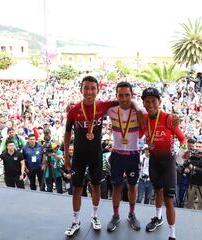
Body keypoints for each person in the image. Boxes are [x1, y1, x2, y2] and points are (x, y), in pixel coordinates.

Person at [63, 76, 118, 236]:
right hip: (79, 156)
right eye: (86, 88)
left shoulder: (102, 106)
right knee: (77, 189)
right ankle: (75, 221)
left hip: (96, 155)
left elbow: (124, 101)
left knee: (95, 186)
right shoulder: (73, 110)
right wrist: (66, 156)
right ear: (81, 90)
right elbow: (67, 134)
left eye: (93, 88)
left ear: (98, 90)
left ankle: (94, 216)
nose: (89, 91)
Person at [141, 87, 187, 240]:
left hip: (168, 163)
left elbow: (183, 139)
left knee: (169, 200)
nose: (150, 104)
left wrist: (182, 154)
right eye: (147, 101)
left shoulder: (168, 118)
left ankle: (172, 235)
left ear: (159, 102)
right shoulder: (144, 119)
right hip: (154, 162)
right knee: (157, 192)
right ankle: (158, 218)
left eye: (153, 101)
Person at [106, 82, 142, 232]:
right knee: (116, 187)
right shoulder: (112, 110)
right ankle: (115, 216)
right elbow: (93, 109)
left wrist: (136, 105)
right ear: (116, 96)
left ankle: (132, 214)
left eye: (127, 94)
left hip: (133, 154)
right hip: (117, 155)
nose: (124, 98)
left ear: (132, 95)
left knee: (132, 186)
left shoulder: (138, 110)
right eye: (120, 95)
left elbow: (147, 121)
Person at [183, 141, 202, 210]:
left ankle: (200, 216)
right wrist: (186, 167)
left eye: (199, 147)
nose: (198, 148)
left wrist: (195, 168)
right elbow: (185, 164)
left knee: (201, 203)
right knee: (189, 201)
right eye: (197, 146)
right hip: (192, 183)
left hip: (201, 184)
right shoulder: (192, 156)